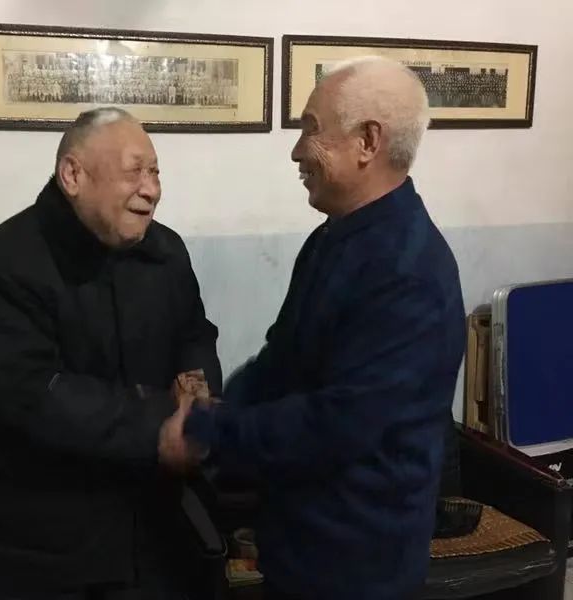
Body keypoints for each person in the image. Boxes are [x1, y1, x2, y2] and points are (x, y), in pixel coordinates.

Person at [161, 56, 466, 599]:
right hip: (300, 541)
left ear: (367, 141)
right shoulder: (333, 238)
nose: (297, 150)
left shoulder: (407, 271)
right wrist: (217, 410)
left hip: (358, 564)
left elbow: (337, 424)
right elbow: (282, 358)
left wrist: (208, 433)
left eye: (311, 129)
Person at [0, 107, 222, 600]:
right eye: (135, 171)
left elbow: (195, 335)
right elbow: (32, 393)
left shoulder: (166, 252)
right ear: (73, 175)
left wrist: (197, 405)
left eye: (156, 172)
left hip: (152, 525)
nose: (152, 189)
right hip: (45, 543)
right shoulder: (4, 264)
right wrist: (160, 425)